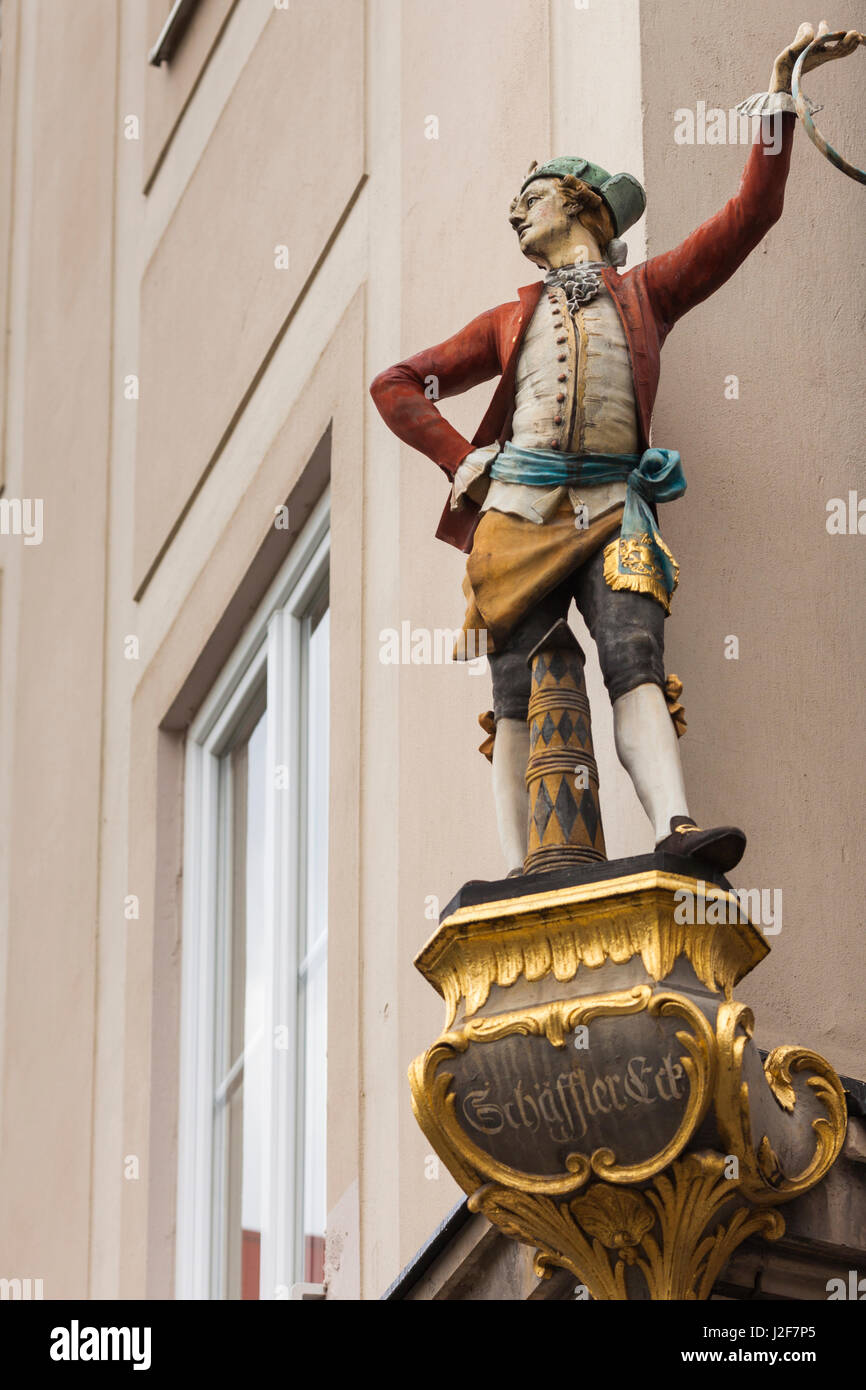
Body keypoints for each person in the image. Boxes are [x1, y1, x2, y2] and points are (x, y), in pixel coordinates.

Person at [370, 22, 862, 877]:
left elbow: (751, 218)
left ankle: (677, 826)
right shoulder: (507, 318)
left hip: (612, 506)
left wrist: (779, 95)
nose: (515, 209)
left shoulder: (648, 291)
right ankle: (522, 872)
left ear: (581, 204)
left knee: (636, 657)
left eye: (533, 193)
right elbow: (397, 383)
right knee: (514, 686)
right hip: (518, 513)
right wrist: (461, 459)